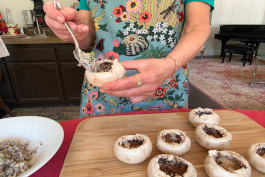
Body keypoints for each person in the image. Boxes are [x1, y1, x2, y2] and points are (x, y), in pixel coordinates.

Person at [44, 0, 214, 118]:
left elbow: (197, 27)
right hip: (102, 91)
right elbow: (88, 37)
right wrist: (75, 30)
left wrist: (169, 65)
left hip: (165, 87)